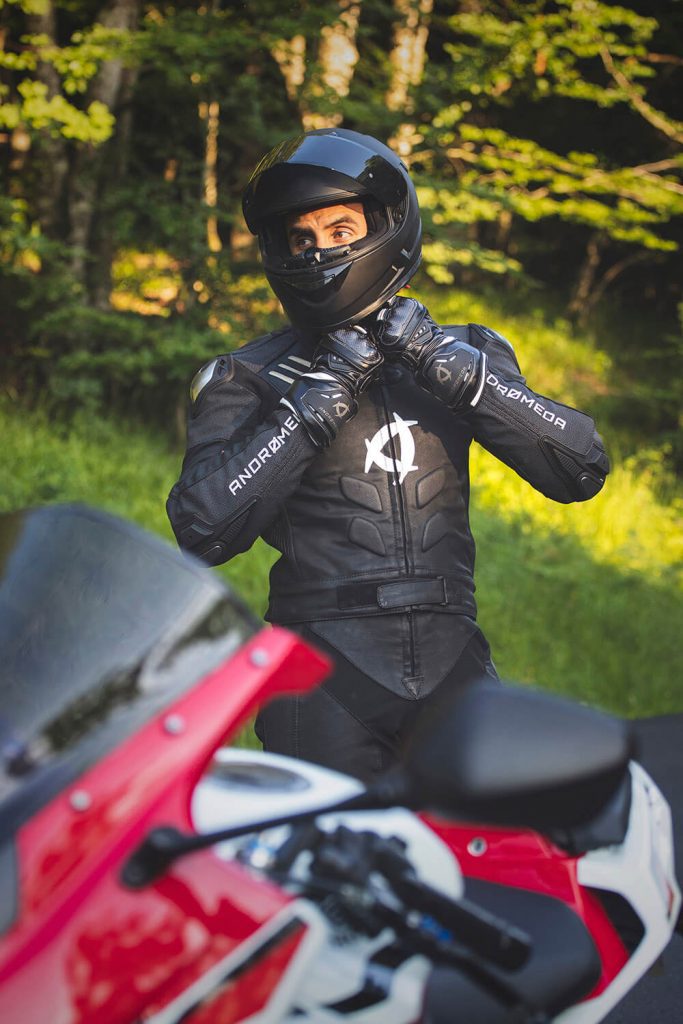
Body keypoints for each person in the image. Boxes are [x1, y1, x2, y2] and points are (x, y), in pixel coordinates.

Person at [167, 128, 609, 783]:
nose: (319, 250)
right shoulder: (248, 376)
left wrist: (455, 370)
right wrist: (305, 410)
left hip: (452, 658)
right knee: (320, 875)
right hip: (320, 678)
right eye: (300, 238)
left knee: (482, 869)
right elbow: (202, 528)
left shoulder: (467, 350)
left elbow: (579, 468)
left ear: (385, 225)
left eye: (340, 228)